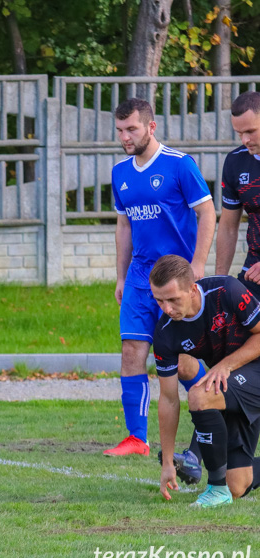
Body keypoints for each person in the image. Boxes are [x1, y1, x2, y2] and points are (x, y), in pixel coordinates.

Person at [107, 98, 216, 464]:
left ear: (151, 127)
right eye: (120, 130)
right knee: (131, 352)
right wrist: (121, 276)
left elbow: (207, 212)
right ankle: (136, 437)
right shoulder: (120, 172)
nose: (125, 136)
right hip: (140, 279)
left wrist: (197, 263)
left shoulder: (179, 165)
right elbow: (124, 225)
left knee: (182, 362)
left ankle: (216, 404)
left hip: (174, 280)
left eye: (132, 129)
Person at [151, 255, 260, 508]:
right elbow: (168, 399)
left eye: (173, 299)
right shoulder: (165, 334)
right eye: (159, 300)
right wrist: (168, 462)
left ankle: (215, 489)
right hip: (235, 381)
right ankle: (226, 487)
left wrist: (225, 365)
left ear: (191, 289)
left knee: (200, 395)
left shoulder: (226, 290)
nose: (166, 308)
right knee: (238, 484)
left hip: (246, 369)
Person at [216, 91, 260, 300]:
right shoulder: (235, 162)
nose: (245, 140)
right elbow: (227, 227)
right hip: (253, 270)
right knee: (229, 328)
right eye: (239, 133)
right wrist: (218, 282)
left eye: (251, 131)